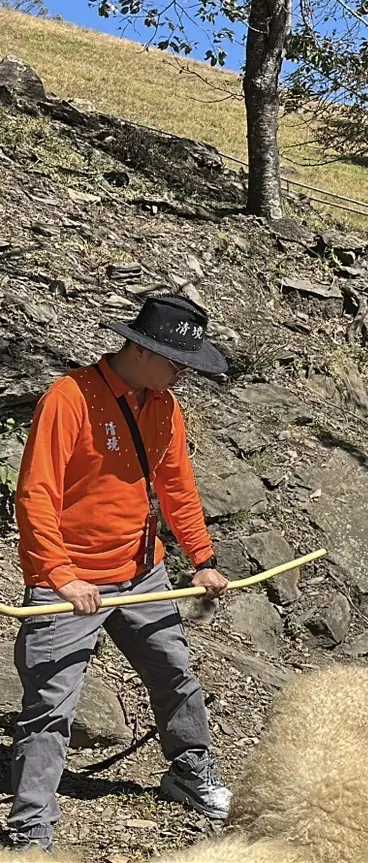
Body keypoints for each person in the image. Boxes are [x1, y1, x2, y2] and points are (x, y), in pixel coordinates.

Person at [7, 295, 235, 851]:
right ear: (138, 346)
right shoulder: (70, 399)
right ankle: (30, 825)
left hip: (142, 574)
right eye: (175, 359)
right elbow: (36, 493)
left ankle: (189, 769)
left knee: (173, 672)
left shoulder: (164, 406)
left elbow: (176, 487)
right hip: (70, 583)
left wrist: (201, 559)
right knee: (50, 705)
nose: (182, 371)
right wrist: (60, 575)